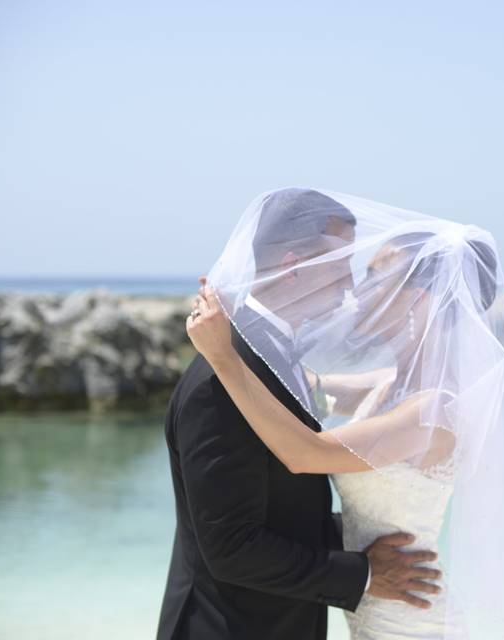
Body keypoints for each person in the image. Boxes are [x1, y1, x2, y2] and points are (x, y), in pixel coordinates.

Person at [185, 187, 504, 639]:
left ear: (419, 297)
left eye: (375, 275)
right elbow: (301, 385)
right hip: (377, 605)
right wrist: (240, 327)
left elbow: (305, 453)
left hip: (410, 616)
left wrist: (224, 357)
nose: (357, 289)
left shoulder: (431, 411)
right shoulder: (387, 384)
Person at [157, 189, 439, 640]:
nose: (351, 286)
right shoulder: (222, 377)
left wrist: (370, 541)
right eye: (343, 264)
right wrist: (363, 575)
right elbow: (231, 548)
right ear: (294, 266)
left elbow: (282, 508)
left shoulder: (274, 358)